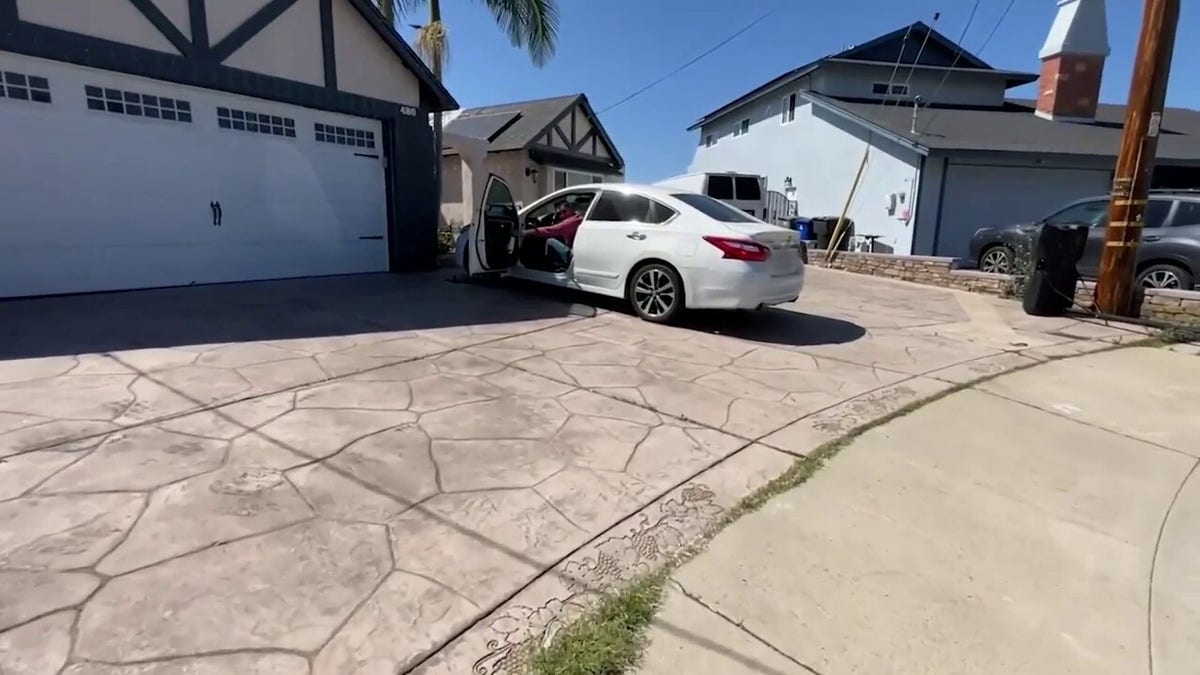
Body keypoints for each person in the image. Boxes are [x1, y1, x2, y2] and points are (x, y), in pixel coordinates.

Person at [526, 198, 584, 271]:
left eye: (564, 211)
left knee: (550, 241)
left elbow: (553, 230)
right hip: (577, 253)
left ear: (571, 208)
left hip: (574, 256)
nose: (562, 215)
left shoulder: (575, 220)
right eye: (560, 213)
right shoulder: (578, 216)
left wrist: (526, 232)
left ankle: (549, 269)